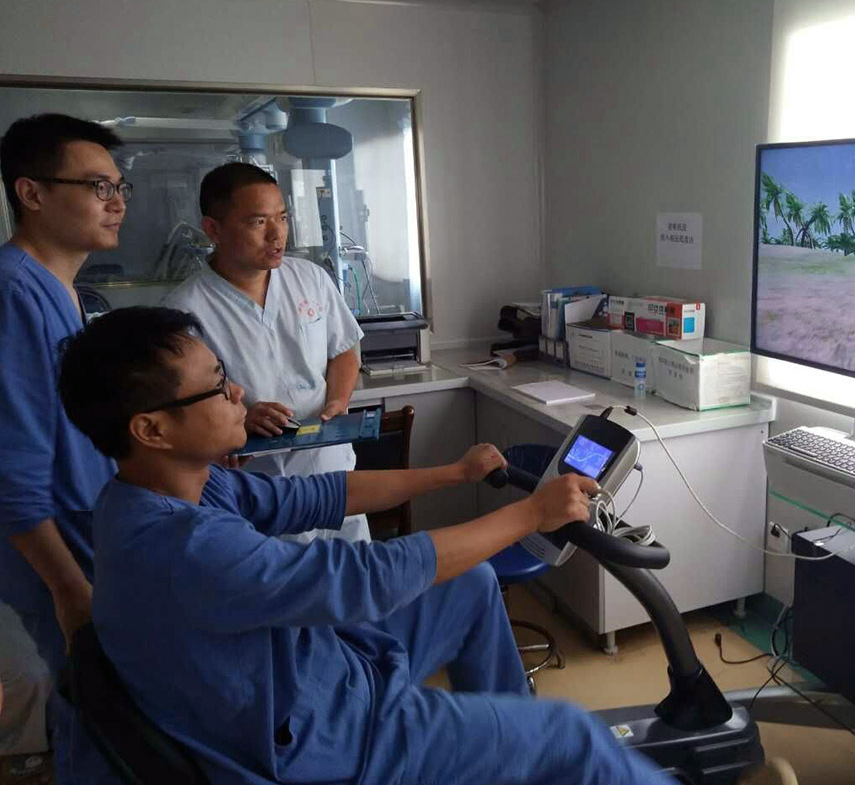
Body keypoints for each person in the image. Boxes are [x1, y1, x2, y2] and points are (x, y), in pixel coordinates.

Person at [58, 305, 676, 785]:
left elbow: (320, 496)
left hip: (314, 669)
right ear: (152, 429)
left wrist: (453, 473)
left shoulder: (171, 488)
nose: (238, 393)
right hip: (325, 739)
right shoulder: (182, 546)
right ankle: (529, 751)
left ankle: (507, 758)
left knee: (470, 582)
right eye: (218, 385)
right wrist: (531, 513)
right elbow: (366, 576)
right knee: (569, 735)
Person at [0, 113, 129, 784]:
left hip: (90, 536)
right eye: (97, 186)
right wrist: (68, 588)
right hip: (57, 558)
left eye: (119, 186)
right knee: (96, 722)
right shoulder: (12, 293)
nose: (117, 201)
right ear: (32, 192)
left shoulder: (62, 292)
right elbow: (13, 470)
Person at [164, 162, 368, 543]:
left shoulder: (310, 278)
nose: (277, 234)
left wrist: (338, 401)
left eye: (282, 218)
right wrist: (242, 418)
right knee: (282, 574)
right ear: (214, 229)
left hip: (331, 467)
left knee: (354, 569)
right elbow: (183, 409)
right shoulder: (185, 310)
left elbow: (343, 350)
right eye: (258, 222)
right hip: (259, 484)